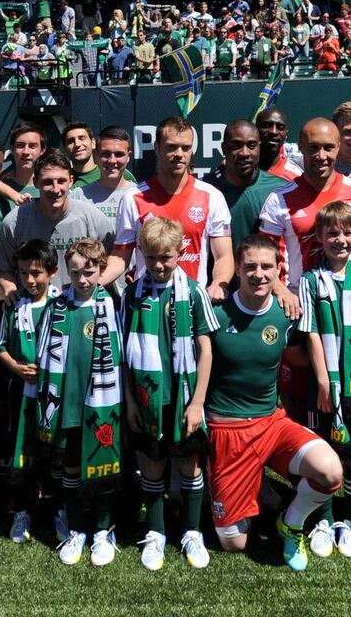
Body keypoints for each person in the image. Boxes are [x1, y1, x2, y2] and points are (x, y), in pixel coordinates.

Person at [205, 236, 344, 572]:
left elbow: (298, 354)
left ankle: (291, 522)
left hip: (271, 423)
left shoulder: (287, 313)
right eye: (250, 266)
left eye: (267, 267)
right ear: (238, 270)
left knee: (330, 470)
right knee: (234, 543)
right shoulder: (215, 312)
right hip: (227, 430)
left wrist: (327, 378)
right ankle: (248, 486)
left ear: (279, 270)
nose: (259, 274)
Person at [122, 218, 217, 571]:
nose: (159, 265)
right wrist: (131, 401)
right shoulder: (132, 295)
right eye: (151, 257)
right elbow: (123, 354)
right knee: (152, 465)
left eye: (166, 257)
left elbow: (205, 350)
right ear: (141, 254)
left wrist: (197, 402)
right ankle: (156, 532)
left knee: (189, 465)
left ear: (181, 252)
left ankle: (192, 531)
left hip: (183, 396)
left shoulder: (193, 292)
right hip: (146, 398)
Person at [23, 239, 125, 566]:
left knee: (103, 463)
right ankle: (77, 529)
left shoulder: (110, 305)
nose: (82, 279)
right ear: (67, 271)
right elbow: (43, 355)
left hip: (102, 403)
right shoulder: (56, 307)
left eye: (89, 272)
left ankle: (103, 530)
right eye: (76, 272)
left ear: (101, 270)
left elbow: (121, 357)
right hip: (66, 401)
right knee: (70, 464)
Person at [297, 202, 351, 559]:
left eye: (348, 232)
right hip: (326, 385)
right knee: (324, 452)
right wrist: (322, 380)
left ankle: (348, 521)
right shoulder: (310, 280)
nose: (340, 239)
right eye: (332, 233)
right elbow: (312, 333)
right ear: (320, 237)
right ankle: (322, 520)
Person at [103, 116, 233, 300]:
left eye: (186, 148)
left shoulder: (212, 197)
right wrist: (91, 284)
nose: (179, 154)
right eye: (171, 147)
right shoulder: (133, 198)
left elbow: (223, 256)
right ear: (157, 148)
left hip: (193, 302)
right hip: (147, 302)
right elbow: (120, 257)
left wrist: (219, 284)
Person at [259, 118, 351, 289]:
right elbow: (265, 259)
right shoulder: (279, 199)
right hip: (299, 299)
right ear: (301, 147)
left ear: (338, 147)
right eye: (313, 147)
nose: (321, 156)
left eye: (328, 148)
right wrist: (282, 293)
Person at [0, 239, 59, 545]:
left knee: (53, 452)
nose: (30, 280)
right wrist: (16, 368)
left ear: (52, 272)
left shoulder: (62, 304)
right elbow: (0, 347)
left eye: (36, 273)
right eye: (23, 273)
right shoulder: (13, 305)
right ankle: (22, 510)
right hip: (21, 392)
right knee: (22, 451)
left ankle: (59, 510)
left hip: (54, 393)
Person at [0, 149, 115, 295]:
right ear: (35, 182)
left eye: (61, 181)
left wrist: (89, 287)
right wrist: (11, 292)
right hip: (34, 304)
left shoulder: (94, 219)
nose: (55, 189)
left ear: (71, 181)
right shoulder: (14, 223)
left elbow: (112, 260)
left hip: (81, 303)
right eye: (48, 182)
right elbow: (5, 270)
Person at [205, 120, 285, 255]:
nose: (244, 153)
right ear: (223, 148)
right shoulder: (205, 190)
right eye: (236, 145)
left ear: (259, 147)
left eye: (251, 145)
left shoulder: (279, 190)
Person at [69, 126, 138, 222]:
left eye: (119, 154)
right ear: (96, 155)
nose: (112, 160)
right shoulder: (78, 196)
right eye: (106, 154)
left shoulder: (140, 196)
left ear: (128, 156)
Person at [254, 108, 303, 182]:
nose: (273, 132)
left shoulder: (296, 178)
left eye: (280, 127)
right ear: (255, 130)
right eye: (266, 125)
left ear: (286, 135)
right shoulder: (240, 170)